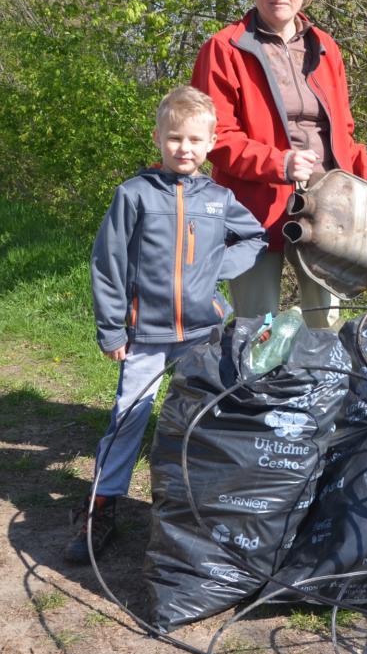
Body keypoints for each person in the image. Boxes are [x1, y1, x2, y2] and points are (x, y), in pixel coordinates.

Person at [66, 86, 267, 564]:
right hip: (146, 335)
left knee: (208, 419)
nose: (185, 148)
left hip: (202, 334)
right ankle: (102, 506)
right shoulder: (134, 195)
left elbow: (255, 237)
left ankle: (201, 509)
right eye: (175, 138)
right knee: (129, 416)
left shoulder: (219, 198)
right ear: (158, 138)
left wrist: (215, 269)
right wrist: (112, 328)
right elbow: (108, 262)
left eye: (195, 140)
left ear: (211, 143)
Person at [192, 0, 367, 327]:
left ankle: (321, 371)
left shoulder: (326, 49)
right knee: (257, 331)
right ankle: (253, 371)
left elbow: (341, 137)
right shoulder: (223, 49)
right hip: (253, 212)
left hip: (330, 212)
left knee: (328, 331)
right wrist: (279, 163)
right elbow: (216, 138)